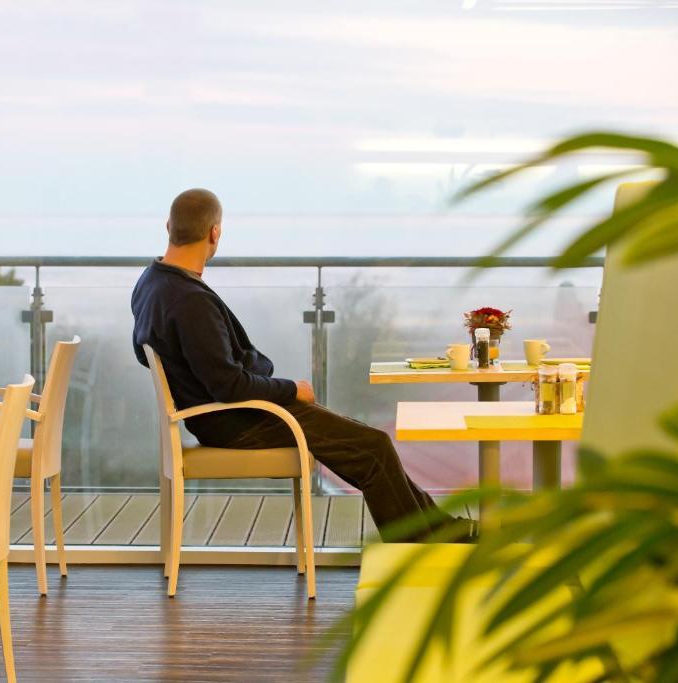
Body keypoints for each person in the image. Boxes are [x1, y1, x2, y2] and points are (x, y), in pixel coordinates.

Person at [131, 188, 474, 542]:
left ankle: (438, 530)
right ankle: (420, 543)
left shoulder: (152, 282)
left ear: (169, 225)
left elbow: (152, 355)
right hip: (236, 419)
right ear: (214, 233)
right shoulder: (189, 301)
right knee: (372, 448)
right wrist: (292, 389)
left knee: (369, 443)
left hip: (221, 414)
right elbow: (228, 385)